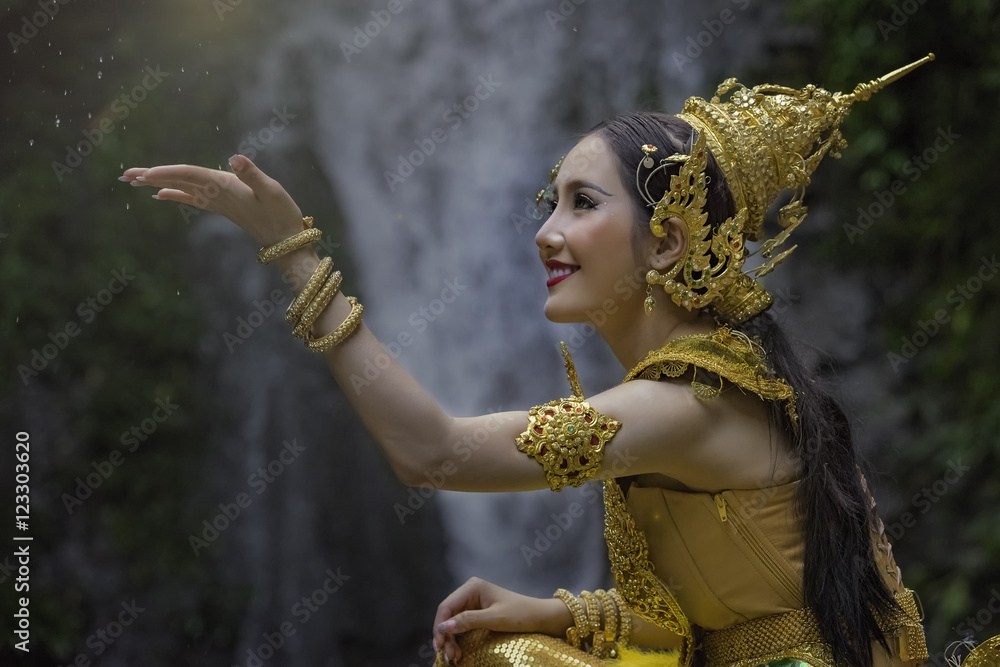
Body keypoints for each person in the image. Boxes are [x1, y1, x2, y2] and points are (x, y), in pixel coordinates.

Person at [120, 54, 999, 667]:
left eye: (583, 203)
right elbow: (693, 633)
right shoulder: (685, 390)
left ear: (668, 243)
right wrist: (554, 611)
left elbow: (430, 452)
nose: (545, 230)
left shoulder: (689, 405)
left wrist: (300, 256)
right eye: (552, 202)